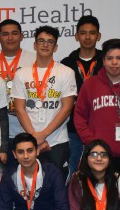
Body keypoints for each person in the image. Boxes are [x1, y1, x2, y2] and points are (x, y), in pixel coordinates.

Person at [74, 38, 120, 179]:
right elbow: (79, 117)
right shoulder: (90, 85)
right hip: (97, 154)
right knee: (96, 196)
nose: (114, 63)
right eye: (110, 58)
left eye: (119, 58)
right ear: (104, 60)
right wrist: (91, 141)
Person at [12, 25, 76, 176]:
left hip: (57, 140)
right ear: (35, 45)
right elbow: (20, 109)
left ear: (55, 47)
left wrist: (43, 135)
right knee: (29, 185)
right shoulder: (22, 73)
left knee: (57, 186)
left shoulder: (66, 72)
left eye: (50, 42)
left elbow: (66, 108)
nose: (45, 45)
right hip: (28, 142)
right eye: (41, 41)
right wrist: (34, 137)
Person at [0, 19, 36, 170]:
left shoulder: (33, 60)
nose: (10, 38)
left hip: (26, 128)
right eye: (5, 34)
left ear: (22, 36)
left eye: (15, 33)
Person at [61, 15, 103, 176]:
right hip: (72, 128)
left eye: (92, 33)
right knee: (73, 171)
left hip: (100, 126)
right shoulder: (66, 64)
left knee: (99, 171)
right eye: (83, 33)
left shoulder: (106, 62)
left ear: (98, 36)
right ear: (76, 35)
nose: (87, 37)